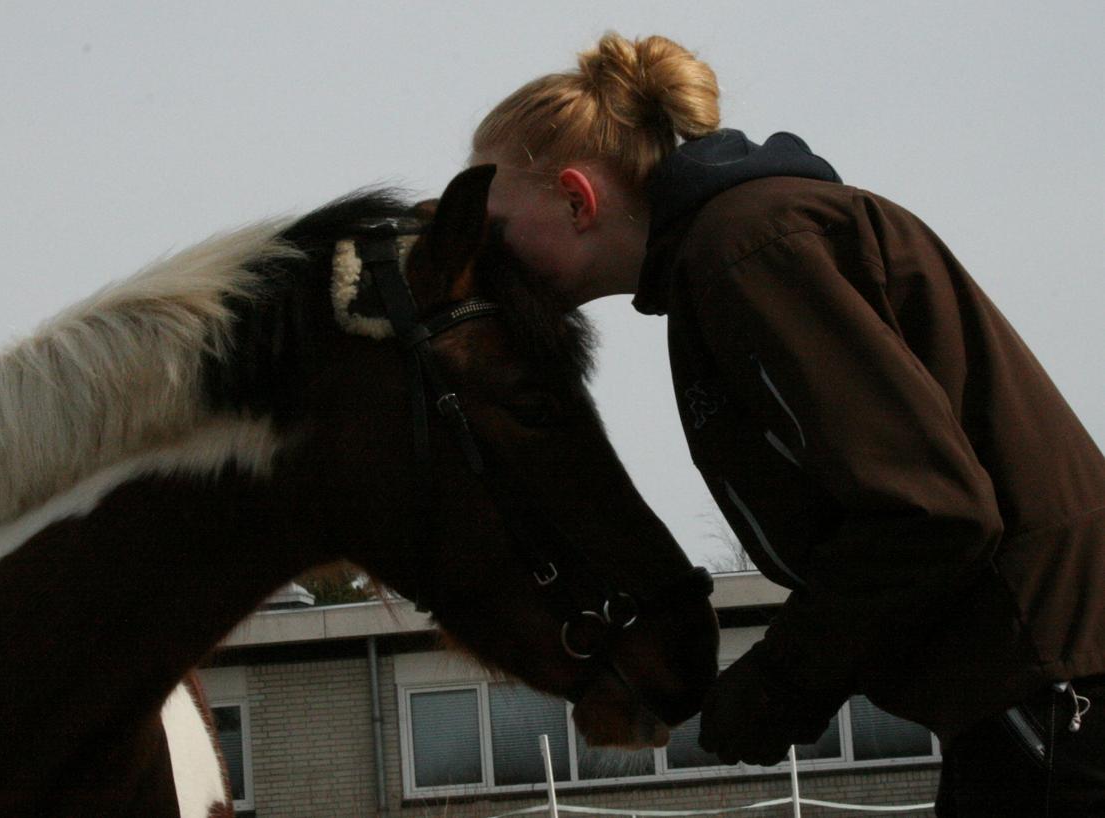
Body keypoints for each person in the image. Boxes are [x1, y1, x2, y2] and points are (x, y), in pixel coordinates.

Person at [470, 32, 1105, 816]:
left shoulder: (744, 253)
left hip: (1057, 689)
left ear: (577, 198)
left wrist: (780, 684)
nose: (486, 261)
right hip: (1038, 685)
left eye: (495, 230)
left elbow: (930, 511)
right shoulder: (738, 246)